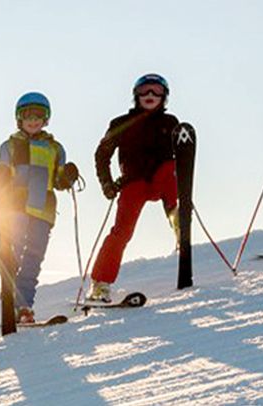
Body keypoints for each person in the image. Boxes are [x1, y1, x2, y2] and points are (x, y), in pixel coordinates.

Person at [88, 73, 180, 303]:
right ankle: (100, 284)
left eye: (156, 91)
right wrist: (107, 184)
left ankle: (177, 217)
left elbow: (183, 156)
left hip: (162, 180)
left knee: (170, 168)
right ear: (136, 95)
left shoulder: (170, 123)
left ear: (164, 97)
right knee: (122, 232)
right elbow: (102, 155)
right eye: (145, 90)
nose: (150, 95)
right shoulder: (121, 123)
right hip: (134, 182)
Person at [0, 92, 80, 323]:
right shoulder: (11, 145)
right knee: (15, 251)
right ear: (19, 118)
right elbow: (2, 171)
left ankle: (23, 307)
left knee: (34, 257)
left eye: (38, 115)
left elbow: (59, 181)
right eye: (28, 115)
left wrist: (68, 177)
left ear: (46, 118)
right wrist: (0, 180)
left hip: (43, 209)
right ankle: (6, 275)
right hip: (16, 207)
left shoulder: (55, 148)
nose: (33, 120)